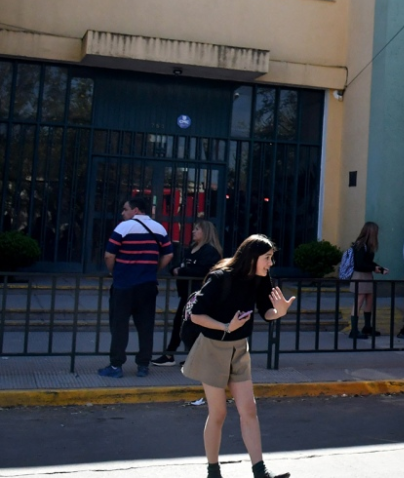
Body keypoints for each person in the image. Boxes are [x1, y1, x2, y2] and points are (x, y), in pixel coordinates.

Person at [182, 234, 295, 478]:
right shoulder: (220, 277)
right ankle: (213, 471)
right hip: (212, 348)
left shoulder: (260, 278)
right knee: (218, 413)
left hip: (239, 349)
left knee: (249, 409)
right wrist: (226, 326)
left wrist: (280, 311)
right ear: (252, 257)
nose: (270, 263)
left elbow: (267, 312)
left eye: (271, 258)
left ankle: (260, 471)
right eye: (267, 258)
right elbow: (196, 315)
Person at [100, 196, 174, 379]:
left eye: (125, 209)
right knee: (146, 326)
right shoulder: (159, 228)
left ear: (136, 210)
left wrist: (114, 272)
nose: (122, 213)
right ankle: (143, 365)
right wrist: (153, 269)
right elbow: (169, 254)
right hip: (147, 285)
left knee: (119, 326)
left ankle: (116, 365)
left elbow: (109, 255)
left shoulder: (123, 227)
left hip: (123, 285)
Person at [153, 219, 223, 367]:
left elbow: (203, 271)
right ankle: (174, 354)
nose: (193, 231)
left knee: (191, 325)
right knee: (182, 323)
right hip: (187, 293)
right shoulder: (191, 248)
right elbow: (179, 265)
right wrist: (176, 270)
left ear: (205, 232)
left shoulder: (210, 251)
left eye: (197, 229)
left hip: (200, 294)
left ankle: (187, 355)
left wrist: (182, 271)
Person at [348, 222, 388, 339]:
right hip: (360, 276)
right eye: (375, 231)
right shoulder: (360, 245)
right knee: (359, 302)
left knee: (369, 300)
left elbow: (368, 263)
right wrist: (374, 268)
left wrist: (379, 269)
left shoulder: (367, 246)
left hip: (366, 276)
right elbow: (360, 264)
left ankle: (367, 327)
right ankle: (354, 330)